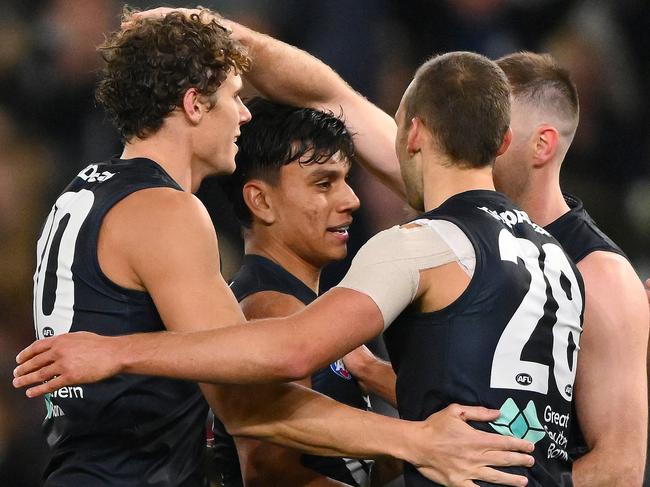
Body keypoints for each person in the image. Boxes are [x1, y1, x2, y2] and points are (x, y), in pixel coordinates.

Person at [13, 14, 583, 485]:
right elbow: (249, 405)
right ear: (193, 104)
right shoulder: (167, 210)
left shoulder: (81, 193)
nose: (242, 113)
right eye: (234, 97)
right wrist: (418, 440)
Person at [212, 97, 398, 486]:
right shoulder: (271, 309)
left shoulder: (299, 305)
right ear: (261, 200)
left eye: (346, 179)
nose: (351, 200)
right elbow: (271, 471)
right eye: (324, 183)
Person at [492, 52, 649, 486]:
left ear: (541, 144)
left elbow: (619, 471)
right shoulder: (466, 231)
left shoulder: (600, 276)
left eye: (492, 130)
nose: (472, 140)